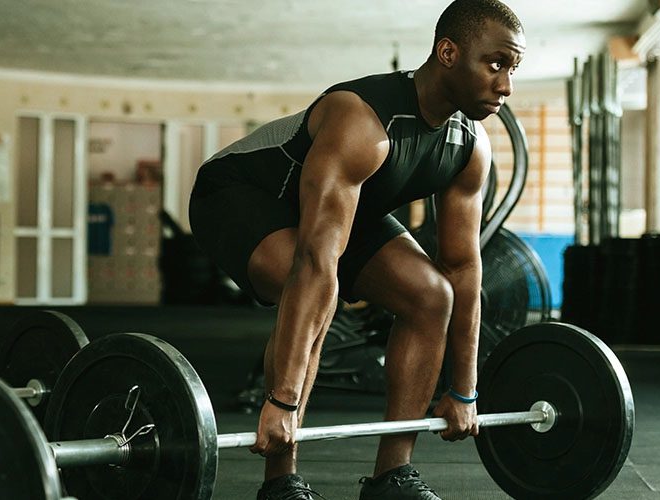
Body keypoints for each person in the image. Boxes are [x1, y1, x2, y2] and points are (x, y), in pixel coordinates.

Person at [189, 1, 525, 499]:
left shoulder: (469, 147)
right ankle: (280, 481)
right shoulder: (363, 121)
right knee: (309, 291)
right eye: (495, 64)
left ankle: (393, 476)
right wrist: (281, 400)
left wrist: (464, 390)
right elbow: (315, 263)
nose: (506, 85)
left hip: (345, 209)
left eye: (513, 68)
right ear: (448, 52)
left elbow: (462, 267)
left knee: (431, 294)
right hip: (242, 196)